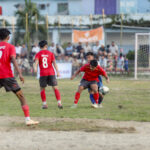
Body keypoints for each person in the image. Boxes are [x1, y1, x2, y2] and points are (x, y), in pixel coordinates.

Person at [0, 28, 39, 125]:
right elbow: (13, 59)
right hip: (7, 76)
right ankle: (27, 120)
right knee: (21, 97)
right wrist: (20, 73)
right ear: (8, 37)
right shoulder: (10, 46)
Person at [34, 40, 63, 109]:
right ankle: (59, 103)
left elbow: (36, 63)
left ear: (39, 46)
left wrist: (35, 68)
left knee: (42, 89)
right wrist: (58, 72)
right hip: (51, 73)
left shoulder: (38, 54)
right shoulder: (50, 53)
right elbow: (54, 63)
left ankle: (44, 104)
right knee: (55, 88)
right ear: (46, 46)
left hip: (43, 73)